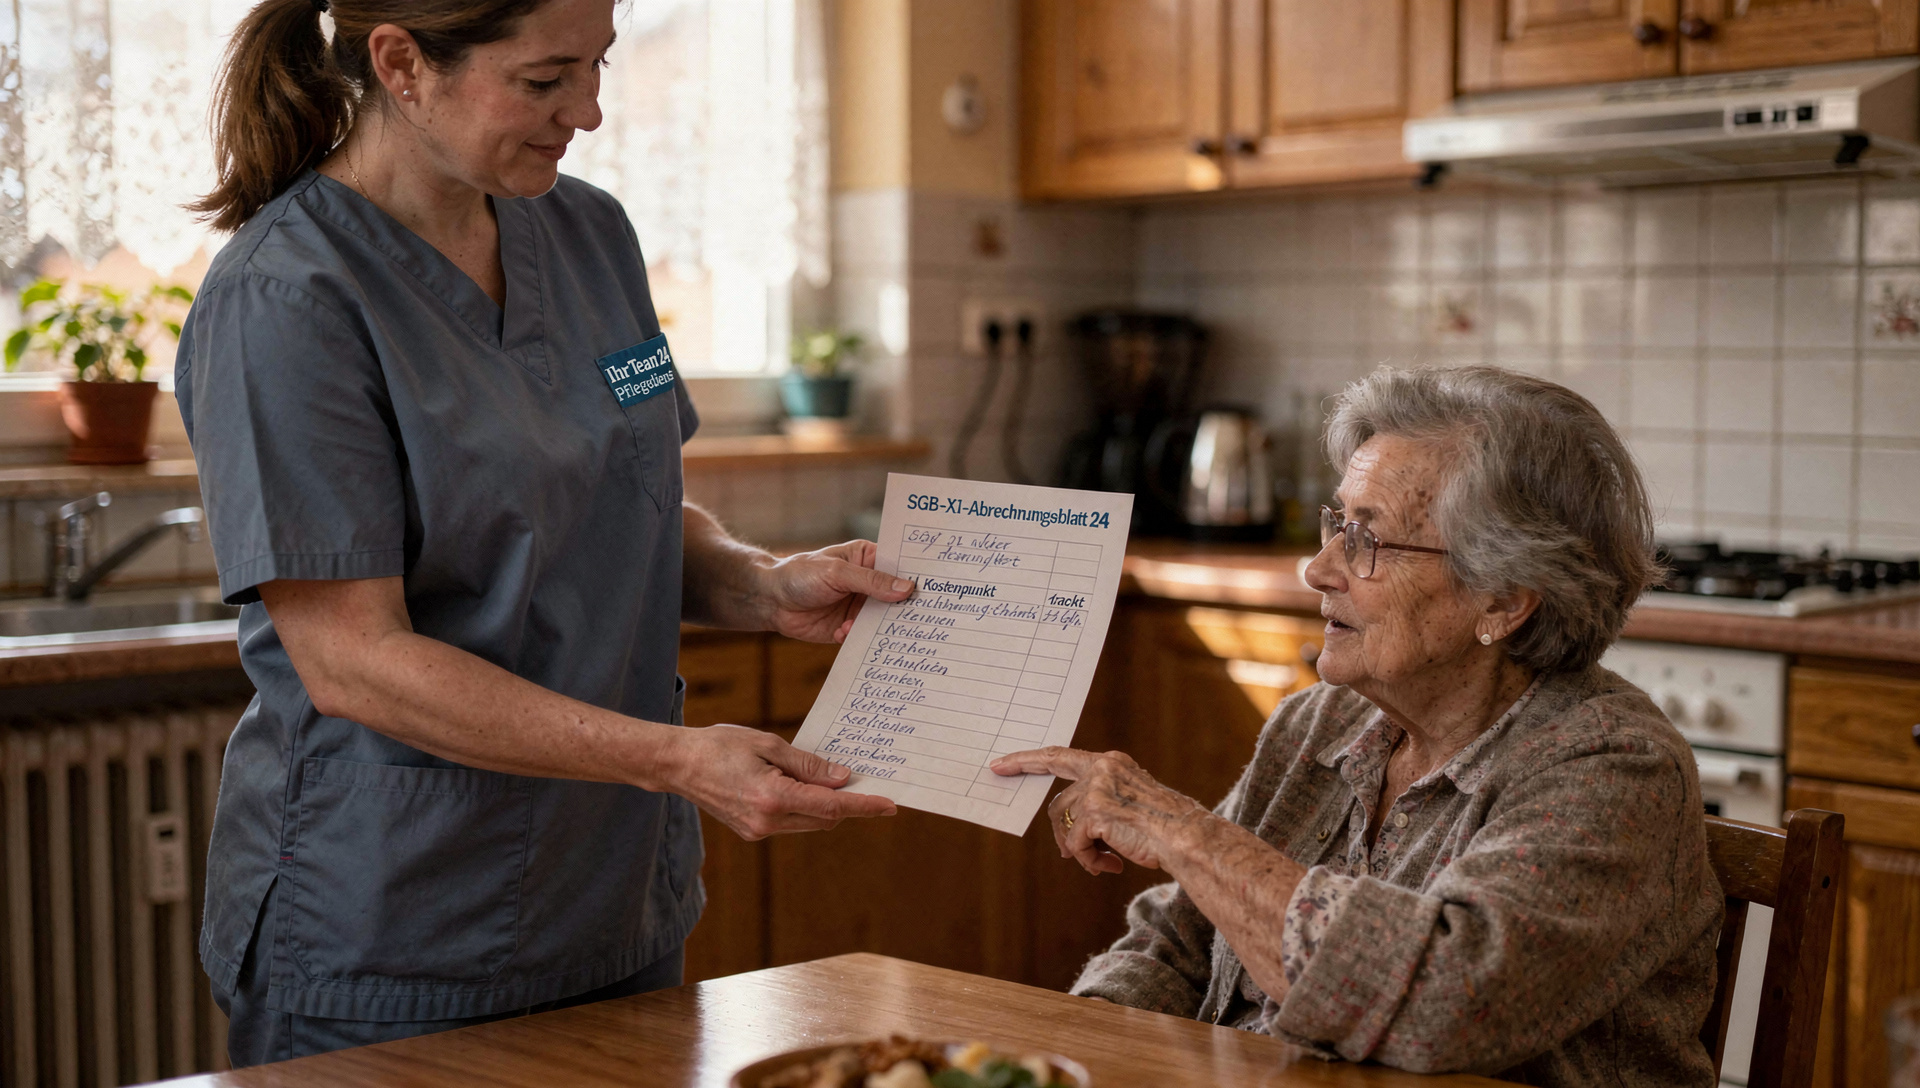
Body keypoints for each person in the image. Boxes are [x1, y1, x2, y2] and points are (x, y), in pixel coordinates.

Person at [179, 0, 900, 1065]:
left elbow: (634, 493)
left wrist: (762, 580)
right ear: (401, 64)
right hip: (397, 936)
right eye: (545, 79)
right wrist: (675, 758)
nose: (591, 112)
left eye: (598, 67)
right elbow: (354, 661)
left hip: (612, 912)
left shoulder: (593, 236)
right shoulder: (285, 298)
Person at [994, 365, 1723, 1086]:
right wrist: (1087, 1058)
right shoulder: (1323, 723)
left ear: (1503, 600)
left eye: (1367, 540)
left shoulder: (1614, 766)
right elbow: (1176, 941)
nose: (1317, 568)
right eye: (1337, 524)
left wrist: (1181, 831)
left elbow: (1444, 1004)